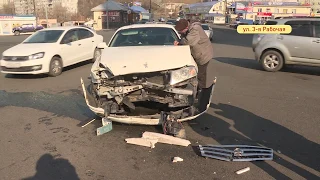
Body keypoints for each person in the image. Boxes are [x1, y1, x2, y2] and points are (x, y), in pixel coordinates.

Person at [173, 19, 214, 90]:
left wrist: (179, 44)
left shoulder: (195, 29)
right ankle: (200, 89)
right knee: (198, 74)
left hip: (203, 55)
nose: (179, 33)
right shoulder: (188, 29)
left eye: (180, 31)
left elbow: (188, 42)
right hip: (198, 53)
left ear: (186, 28)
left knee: (200, 75)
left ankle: (201, 92)